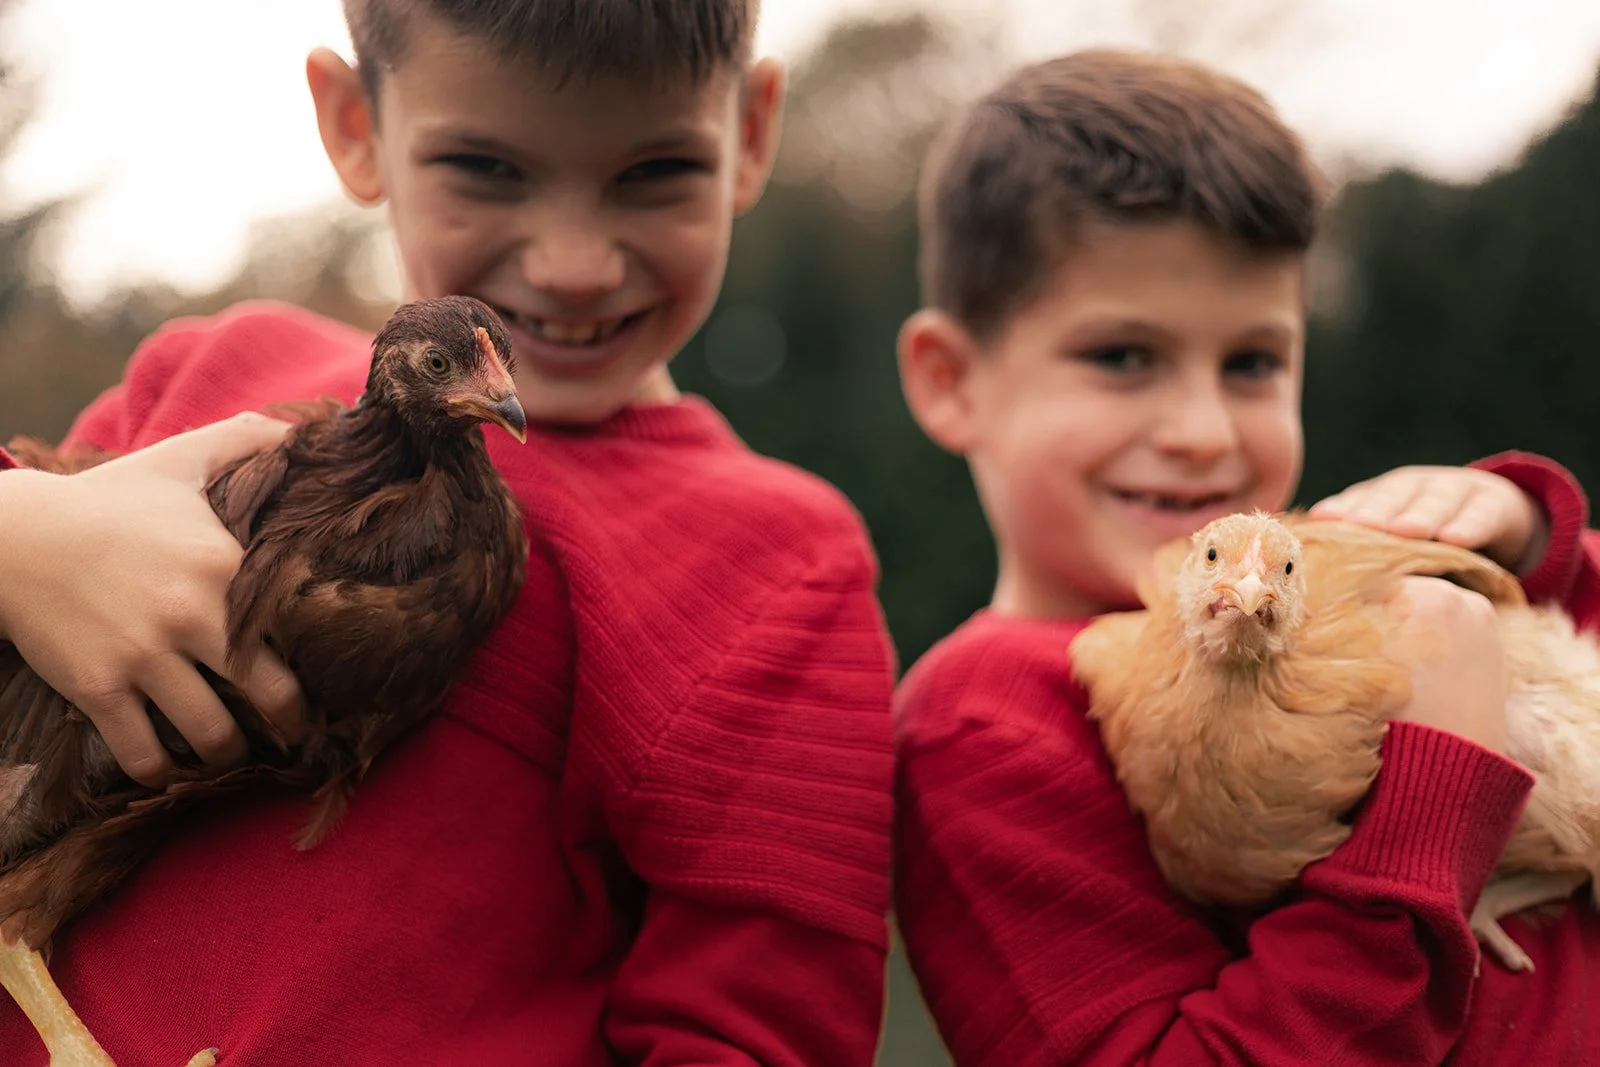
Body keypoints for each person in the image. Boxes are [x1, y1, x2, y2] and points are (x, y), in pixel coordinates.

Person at [0, 2, 897, 1063]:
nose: (571, 263)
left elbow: (755, 1029)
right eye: (486, 167)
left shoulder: (774, 570)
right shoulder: (211, 371)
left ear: (750, 134)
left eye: (654, 172)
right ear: (353, 124)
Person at [892, 48, 1600, 1065]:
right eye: (1122, 356)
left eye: (1253, 362)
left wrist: (1524, 542)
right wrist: (1432, 801)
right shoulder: (986, 721)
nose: (1202, 431)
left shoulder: (1315, 584)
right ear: (950, 380)